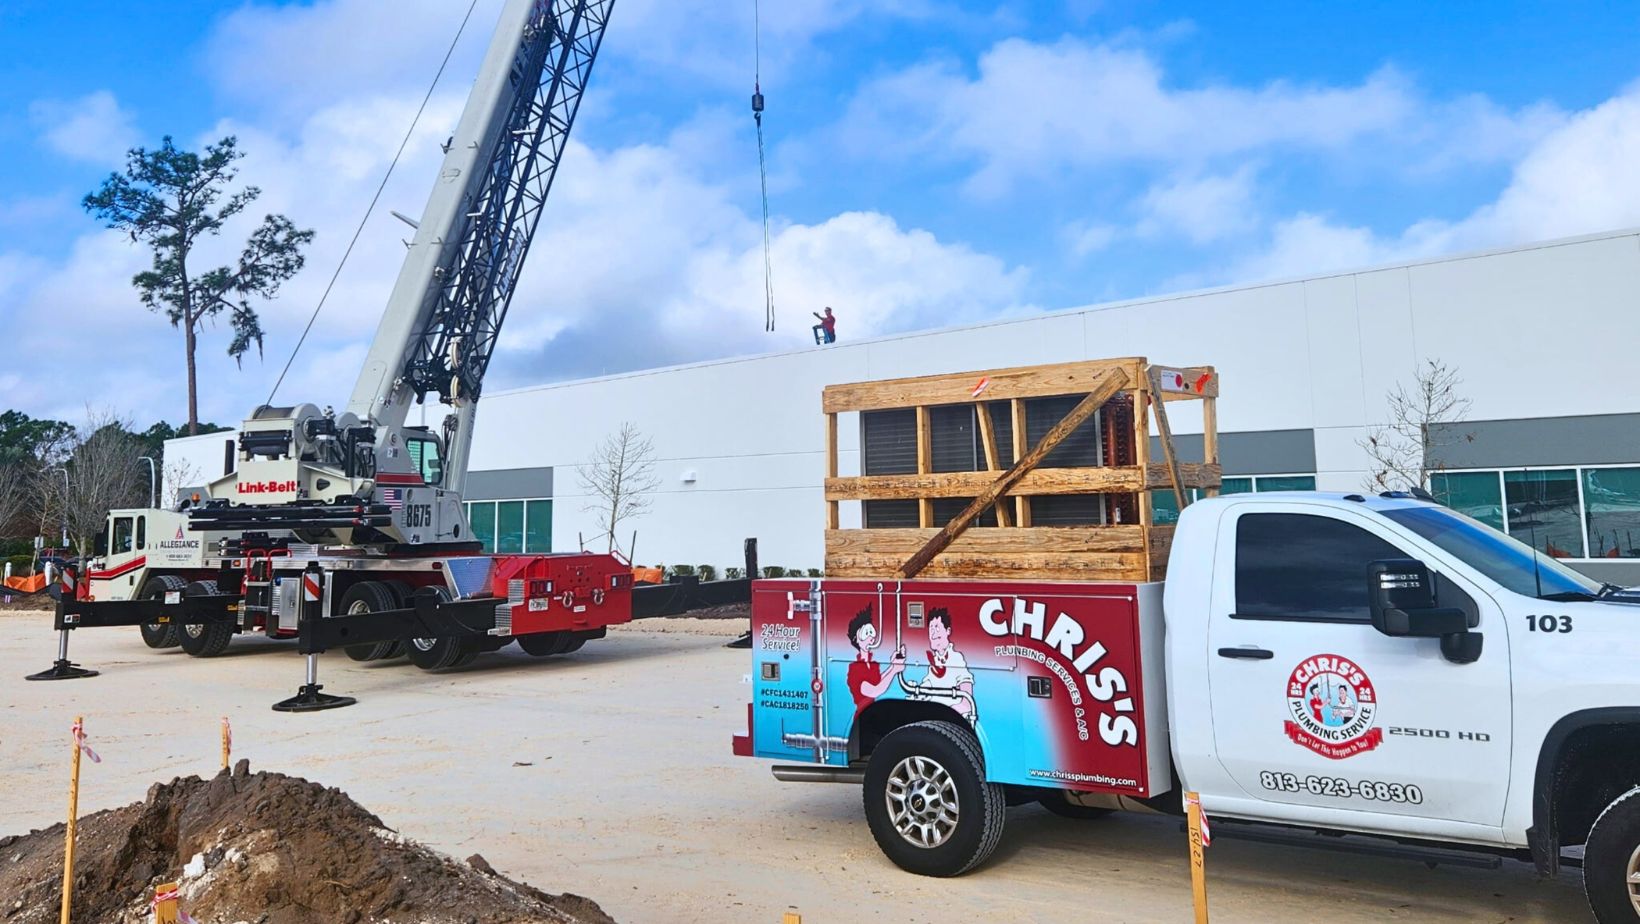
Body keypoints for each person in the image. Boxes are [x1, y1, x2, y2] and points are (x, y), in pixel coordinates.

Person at [894, 608, 977, 724]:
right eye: (931, 629)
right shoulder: (934, 662)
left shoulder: (956, 659)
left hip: (950, 725)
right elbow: (928, 688)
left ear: (947, 631)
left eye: (937, 627)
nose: (933, 633)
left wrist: (944, 715)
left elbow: (967, 702)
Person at [846, 606, 904, 718]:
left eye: (871, 633)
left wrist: (893, 666)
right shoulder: (854, 668)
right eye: (866, 634)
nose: (871, 638)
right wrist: (893, 671)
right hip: (863, 715)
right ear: (857, 638)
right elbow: (873, 691)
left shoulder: (873, 664)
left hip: (873, 711)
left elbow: (878, 681)